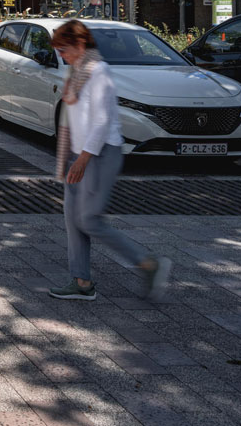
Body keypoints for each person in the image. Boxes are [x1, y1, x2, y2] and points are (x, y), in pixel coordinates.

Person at [48, 20, 172, 301]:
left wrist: (82, 160)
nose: (61, 56)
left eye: (64, 50)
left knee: (89, 220)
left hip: (100, 155)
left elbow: (101, 122)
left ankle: (148, 264)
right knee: (73, 220)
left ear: (80, 44)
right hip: (77, 154)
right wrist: (70, 157)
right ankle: (81, 282)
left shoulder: (98, 72)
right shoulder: (76, 72)